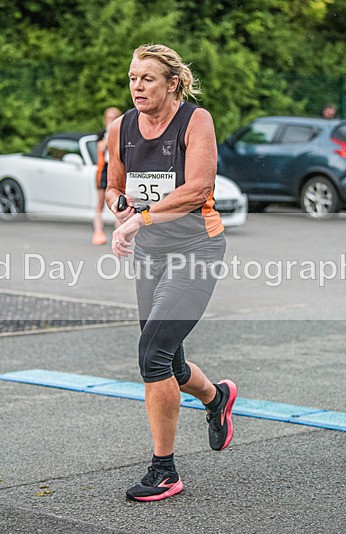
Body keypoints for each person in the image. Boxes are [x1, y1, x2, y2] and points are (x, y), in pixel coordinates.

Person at [105, 44, 237, 502]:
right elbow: (114, 187)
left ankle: (165, 472)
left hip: (197, 248)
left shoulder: (195, 121)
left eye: (147, 79)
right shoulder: (120, 127)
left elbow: (198, 186)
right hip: (151, 254)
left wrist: (137, 220)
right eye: (132, 78)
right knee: (168, 355)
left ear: (172, 84)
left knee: (152, 354)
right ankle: (216, 397)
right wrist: (120, 205)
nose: (137, 87)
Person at [92, 106, 122, 245]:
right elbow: (101, 148)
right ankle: (98, 231)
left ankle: (120, 232)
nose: (111, 120)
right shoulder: (102, 134)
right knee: (100, 202)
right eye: (109, 117)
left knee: (120, 201)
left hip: (118, 167)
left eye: (114, 117)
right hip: (104, 168)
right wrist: (108, 133)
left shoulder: (123, 133)